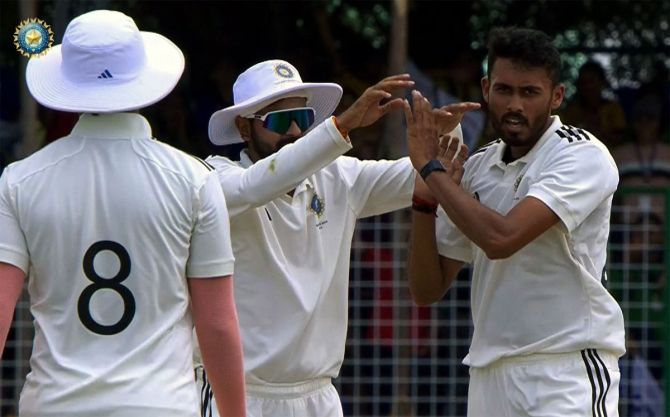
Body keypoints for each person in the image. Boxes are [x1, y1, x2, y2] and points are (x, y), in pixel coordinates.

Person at [196, 59, 478, 417]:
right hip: (241, 396)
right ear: (243, 127)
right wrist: (341, 125)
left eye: (304, 118)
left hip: (320, 396)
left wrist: (442, 134)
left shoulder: (337, 176)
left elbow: (422, 177)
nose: (296, 131)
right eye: (280, 121)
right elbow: (258, 186)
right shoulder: (215, 179)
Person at [0, 10, 245, 417]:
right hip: (161, 405)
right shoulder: (194, 180)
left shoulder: (20, 180)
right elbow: (217, 324)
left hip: (54, 405)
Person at [404, 27, 625, 416]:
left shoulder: (582, 155)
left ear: (556, 96)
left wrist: (430, 167)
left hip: (565, 372)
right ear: (486, 89)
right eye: (505, 90)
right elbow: (427, 289)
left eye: (530, 92)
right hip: (488, 375)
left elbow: (501, 238)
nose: (515, 105)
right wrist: (424, 200)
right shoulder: (477, 167)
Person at [561, 60, 627, 148]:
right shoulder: (571, 111)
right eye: (584, 82)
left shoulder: (613, 109)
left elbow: (621, 139)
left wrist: (598, 130)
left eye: (591, 81)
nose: (588, 86)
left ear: (601, 82)